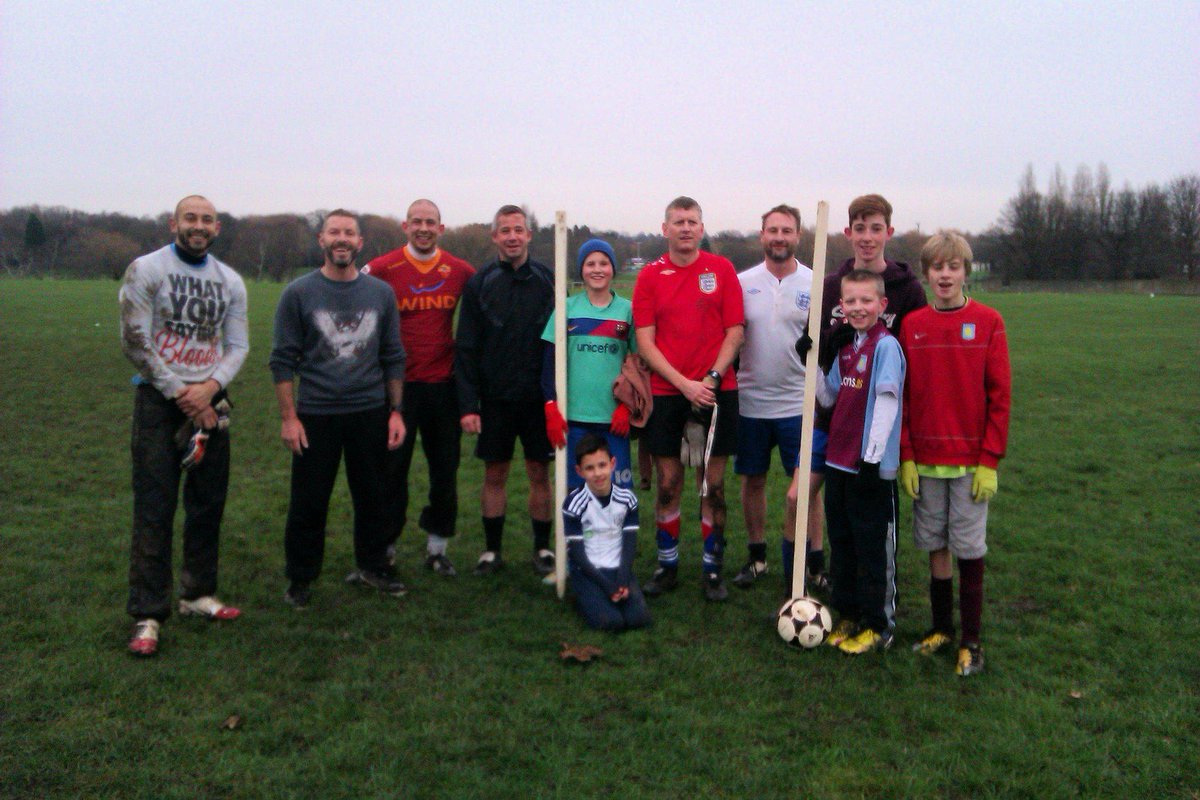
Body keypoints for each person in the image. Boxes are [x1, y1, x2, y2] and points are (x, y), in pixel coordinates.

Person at [119, 194, 249, 657]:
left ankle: (198, 594)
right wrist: (182, 393)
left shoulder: (230, 280)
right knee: (155, 505)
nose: (198, 225)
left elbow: (237, 346)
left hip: (211, 399)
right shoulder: (146, 269)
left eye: (207, 220)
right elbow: (135, 340)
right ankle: (148, 613)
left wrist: (209, 387)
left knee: (207, 502)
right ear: (174, 222)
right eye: (190, 218)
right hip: (160, 399)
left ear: (217, 228)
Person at [269, 209, 408, 609]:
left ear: (360, 242)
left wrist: (395, 410)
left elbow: (392, 355)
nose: (342, 239)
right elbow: (282, 360)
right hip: (316, 414)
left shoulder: (379, 293)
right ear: (322, 240)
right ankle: (300, 578)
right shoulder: (298, 293)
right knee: (309, 501)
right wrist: (289, 418)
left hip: (370, 411)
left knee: (373, 497)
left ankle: (373, 566)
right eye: (335, 232)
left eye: (349, 232)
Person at [791, 193, 926, 591]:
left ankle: (874, 592)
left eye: (876, 228)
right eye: (860, 229)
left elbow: (906, 360)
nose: (868, 237)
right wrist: (814, 345)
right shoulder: (831, 285)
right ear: (848, 234)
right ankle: (804, 575)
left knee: (867, 511)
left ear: (889, 232)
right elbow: (817, 345)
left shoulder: (908, 291)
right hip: (830, 414)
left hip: (875, 424)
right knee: (802, 498)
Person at [898, 232, 1010, 676]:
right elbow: (902, 396)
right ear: (926, 274)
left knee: (969, 549)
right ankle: (942, 628)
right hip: (925, 462)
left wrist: (989, 460)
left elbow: (999, 396)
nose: (945, 275)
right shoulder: (912, 325)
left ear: (965, 271)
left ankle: (972, 640)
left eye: (953, 267)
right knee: (935, 546)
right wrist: (907, 454)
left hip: (969, 464)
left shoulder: (989, 321)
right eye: (937, 268)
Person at [631, 196, 744, 602]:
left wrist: (711, 378)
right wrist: (683, 383)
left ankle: (713, 570)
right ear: (665, 229)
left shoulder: (722, 269)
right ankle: (667, 565)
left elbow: (735, 330)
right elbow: (645, 341)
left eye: (692, 221)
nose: (685, 228)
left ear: (701, 228)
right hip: (667, 392)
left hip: (716, 392)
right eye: (677, 221)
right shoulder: (649, 276)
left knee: (711, 485)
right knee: (669, 482)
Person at [363, 199, 474, 577]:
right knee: (391, 471)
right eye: (417, 222)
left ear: (441, 228)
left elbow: (485, 309)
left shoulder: (460, 271)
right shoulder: (381, 268)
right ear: (405, 226)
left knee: (445, 472)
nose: (423, 228)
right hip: (397, 389)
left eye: (430, 222)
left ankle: (437, 548)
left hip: (443, 387)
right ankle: (386, 548)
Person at [455, 205, 555, 576]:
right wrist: (469, 404)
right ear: (494, 236)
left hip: (536, 399)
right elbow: (465, 347)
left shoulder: (548, 279)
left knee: (538, 474)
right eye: (505, 230)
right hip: (495, 399)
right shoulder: (480, 283)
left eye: (519, 229)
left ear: (529, 234)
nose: (512, 236)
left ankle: (543, 549)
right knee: (494, 474)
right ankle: (492, 550)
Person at [731, 204, 823, 597]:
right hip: (751, 401)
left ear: (798, 236)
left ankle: (815, 563)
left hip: (797, 404)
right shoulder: (742, 282)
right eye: (773, 230)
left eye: (787, 230)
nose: (779, 237)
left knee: (806, 488)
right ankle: (756, 556)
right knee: (752, 480)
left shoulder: (816, 282)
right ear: (762, 235)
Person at [816, 269, 906, 655]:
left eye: (866, 300)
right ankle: (850, 612)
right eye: (850, 301)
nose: (857, 307)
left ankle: (878, 625)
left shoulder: (885, 347)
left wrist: (871, 459)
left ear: (882, 306)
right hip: (838, 463)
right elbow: (826, 397)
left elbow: (887, 401)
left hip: (868, 469)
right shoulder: (847, 347)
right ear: (841, 306)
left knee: (873, 550)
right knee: (844, 544)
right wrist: (815, 361)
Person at [541, 238, 638, 490]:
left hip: (614, 420)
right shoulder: (566, 308)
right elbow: (549, 361)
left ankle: (617, 532)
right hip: (573, 420)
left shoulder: (628, 311)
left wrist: (627, 408)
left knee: (616, 496)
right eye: (590, 263)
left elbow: (639, 365)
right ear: (581, 270)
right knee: (577, 495)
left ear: (613, 268)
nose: (597, 269)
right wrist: (551, 405)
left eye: (604, 263)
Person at [563, 434, 651, 631]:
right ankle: (583, 597)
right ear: (579, 471)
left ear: (612, 464)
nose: (597, 473)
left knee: (639, 619)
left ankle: (608, 595)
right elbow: (576, 553)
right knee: (611, 623)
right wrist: (606, 585)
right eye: (590, 468)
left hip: (617, 568)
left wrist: (622, 578)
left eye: (602, 465)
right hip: (589, 572)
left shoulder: (628, 499)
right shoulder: (573, 504)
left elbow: (629, 543)